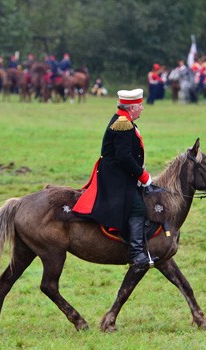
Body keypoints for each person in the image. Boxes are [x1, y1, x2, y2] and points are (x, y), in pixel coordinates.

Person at [72, 88, 155, 273]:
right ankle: (136, 254)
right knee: (138, 207)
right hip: (115, 177)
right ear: (132, 107)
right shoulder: (124, 124)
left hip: (119, 173)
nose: (142, 108)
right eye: (140, 105)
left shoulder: (124, 119)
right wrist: (143, 176)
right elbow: (124, 157)